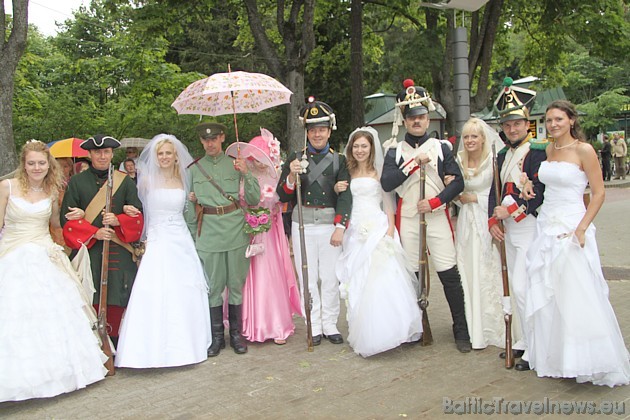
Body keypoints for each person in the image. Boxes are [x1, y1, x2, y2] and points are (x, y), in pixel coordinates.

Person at [524, 100, 630, 387]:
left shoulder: (584, 150)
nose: (553, 124)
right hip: (546, 224)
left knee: (577, 292)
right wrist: (527, 183)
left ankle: (588, 359)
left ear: (571, 120)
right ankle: (558, 358)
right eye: (548, 120)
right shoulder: (548, 149)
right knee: (551, 292)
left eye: (559, 119)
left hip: (572, 227)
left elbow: (598, 194)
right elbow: (545, 185)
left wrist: (582, 228)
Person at [0, 140, 107, 402]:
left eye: (41, 163)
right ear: (23, 165)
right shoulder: (7, 187)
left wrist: (80, 216)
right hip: (12, 254)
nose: (37, 167)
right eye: (31, 163)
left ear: (49, 165)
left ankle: (57, 375)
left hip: (44, 253)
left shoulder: (51, 191)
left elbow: (57, 225)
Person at [381, 79, 471, 353]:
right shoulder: (394, 151)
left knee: (448, 273)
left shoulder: (442, 147)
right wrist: (410, 166)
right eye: (411, 118)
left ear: (427, 117)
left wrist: (434, 202)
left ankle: (460, 328)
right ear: (405, 121)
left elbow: (458, 183)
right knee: (412, 275)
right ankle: (416, 324)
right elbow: (386, 183)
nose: (416, 122)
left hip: (436, 216)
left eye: (420, 116)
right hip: (408, 219)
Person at [115, 134, 212, 368]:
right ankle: (147, 349)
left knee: (183, 287)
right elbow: (138, 210)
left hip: (180, 238)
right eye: (161, 154)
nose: (165, 157)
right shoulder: (146, 181)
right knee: (154, 287)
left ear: (176, 156)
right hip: (158, 239)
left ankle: (187, 344)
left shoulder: (185, 180)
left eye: (169, 153)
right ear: (155, 157)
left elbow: (190, 211)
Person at [335, 127, 422, 357]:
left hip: (377, 227)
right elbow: (343, 200)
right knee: (358, 279)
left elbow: (388, 203)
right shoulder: (347, 173)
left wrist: (390, 231)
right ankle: (361, 329)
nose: (360, 150)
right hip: (355, 230)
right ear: (351, 150)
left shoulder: (378, 172)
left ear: (371, 148)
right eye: (356, 146)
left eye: (364, 146)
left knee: (381, 278)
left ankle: (388, 329)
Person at [276, 97, 351, 346]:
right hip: (303, 225)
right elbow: (283, 195)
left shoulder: (340, 160)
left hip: (329, 225)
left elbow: (345, 196)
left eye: (321, 129)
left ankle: (330, 323)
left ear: (329, 130)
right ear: (306, 132)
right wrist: (290, 177)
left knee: (329, 277)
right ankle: (314, 323)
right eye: (312, 130)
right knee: (307, 277)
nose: (317, 134)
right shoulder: (295, 158)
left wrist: (340, 226)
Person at [61, 134, 144, 348]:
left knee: (119, 294)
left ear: (111, 154)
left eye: (106, 152)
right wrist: (94, 232)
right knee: (92, 295)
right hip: (90, 251)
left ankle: (116, 344)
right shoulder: (77, 182)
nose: (102, 156)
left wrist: (118, 219)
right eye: (97, 152)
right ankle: (94, 346)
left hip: (119, 248)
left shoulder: (124, 181)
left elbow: (138, 216)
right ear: (89, 155)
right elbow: (66, 221)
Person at [185, 122, 260, 356]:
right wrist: (192, 237)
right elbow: (189, 207)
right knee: (214, 288)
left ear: (222, 138)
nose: (210, 143)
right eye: (206, 140)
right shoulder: (194, 169)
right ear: (201, 142)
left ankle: (236, 335)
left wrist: (246, 174)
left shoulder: (236, 165)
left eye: (214, 138)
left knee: (236, 284)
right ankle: (217, 337)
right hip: (208, 233)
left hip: (236, 230)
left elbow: (254, 198)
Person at [487, 77, 546, 371]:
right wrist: (492, 221)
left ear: (527, 123)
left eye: (517, 124)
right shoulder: (501, 154)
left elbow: (539, 192)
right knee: (515, 288)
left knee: (525, 288)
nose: (512, 129)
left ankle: (536, 347)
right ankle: (522, 341)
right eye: (507, 124)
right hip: (508, 230)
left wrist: (511, 212)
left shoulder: (537, 151)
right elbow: (493, 191)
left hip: (528, 227)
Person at [225, 129, 302, 345]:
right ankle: (248, 324)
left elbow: (281, 203)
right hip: (246, 233)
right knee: (246, 277)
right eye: (256, 156)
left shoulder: (274, 177)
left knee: (271, 276)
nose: (259, 161)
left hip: (268, 234)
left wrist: (271, 215)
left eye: (264, 156)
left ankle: (276, 323)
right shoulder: (241, 175)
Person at [454, 118, 510, 350]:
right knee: (467, 268)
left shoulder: (492, 161)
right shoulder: (458, 161)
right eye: (466, 137)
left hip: (485, 218)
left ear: (483, 138)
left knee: (486, 267)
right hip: (466, 220)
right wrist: (459, 198)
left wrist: (475, 198)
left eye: (474, 136)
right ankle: (471, 325)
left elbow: (496, 191)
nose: (469, 141)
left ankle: (493, 324)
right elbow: (454, 190)